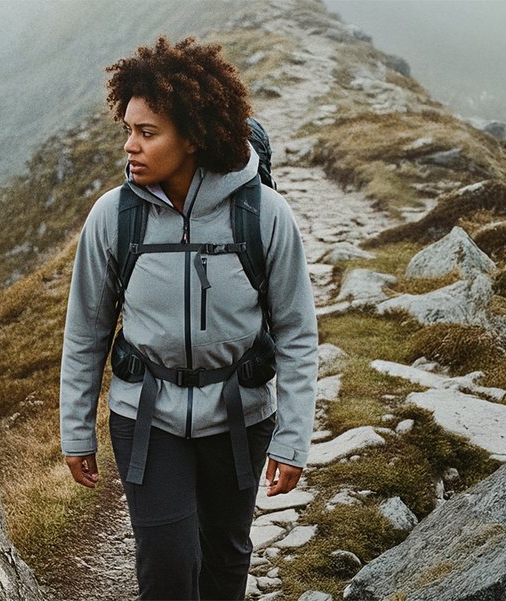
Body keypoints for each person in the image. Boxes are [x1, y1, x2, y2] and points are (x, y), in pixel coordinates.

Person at [59, 37, 318, 600]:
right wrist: (76, 428)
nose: (130, 145)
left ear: (194, 137)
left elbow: (297, 333)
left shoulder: (263, 216)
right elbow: (86, 331)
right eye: (127, 128)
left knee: (226, 561)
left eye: (147, 133)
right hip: (145, 414)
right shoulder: (114, 217)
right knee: (167, 566)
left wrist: (293, 439)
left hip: (240, 416)